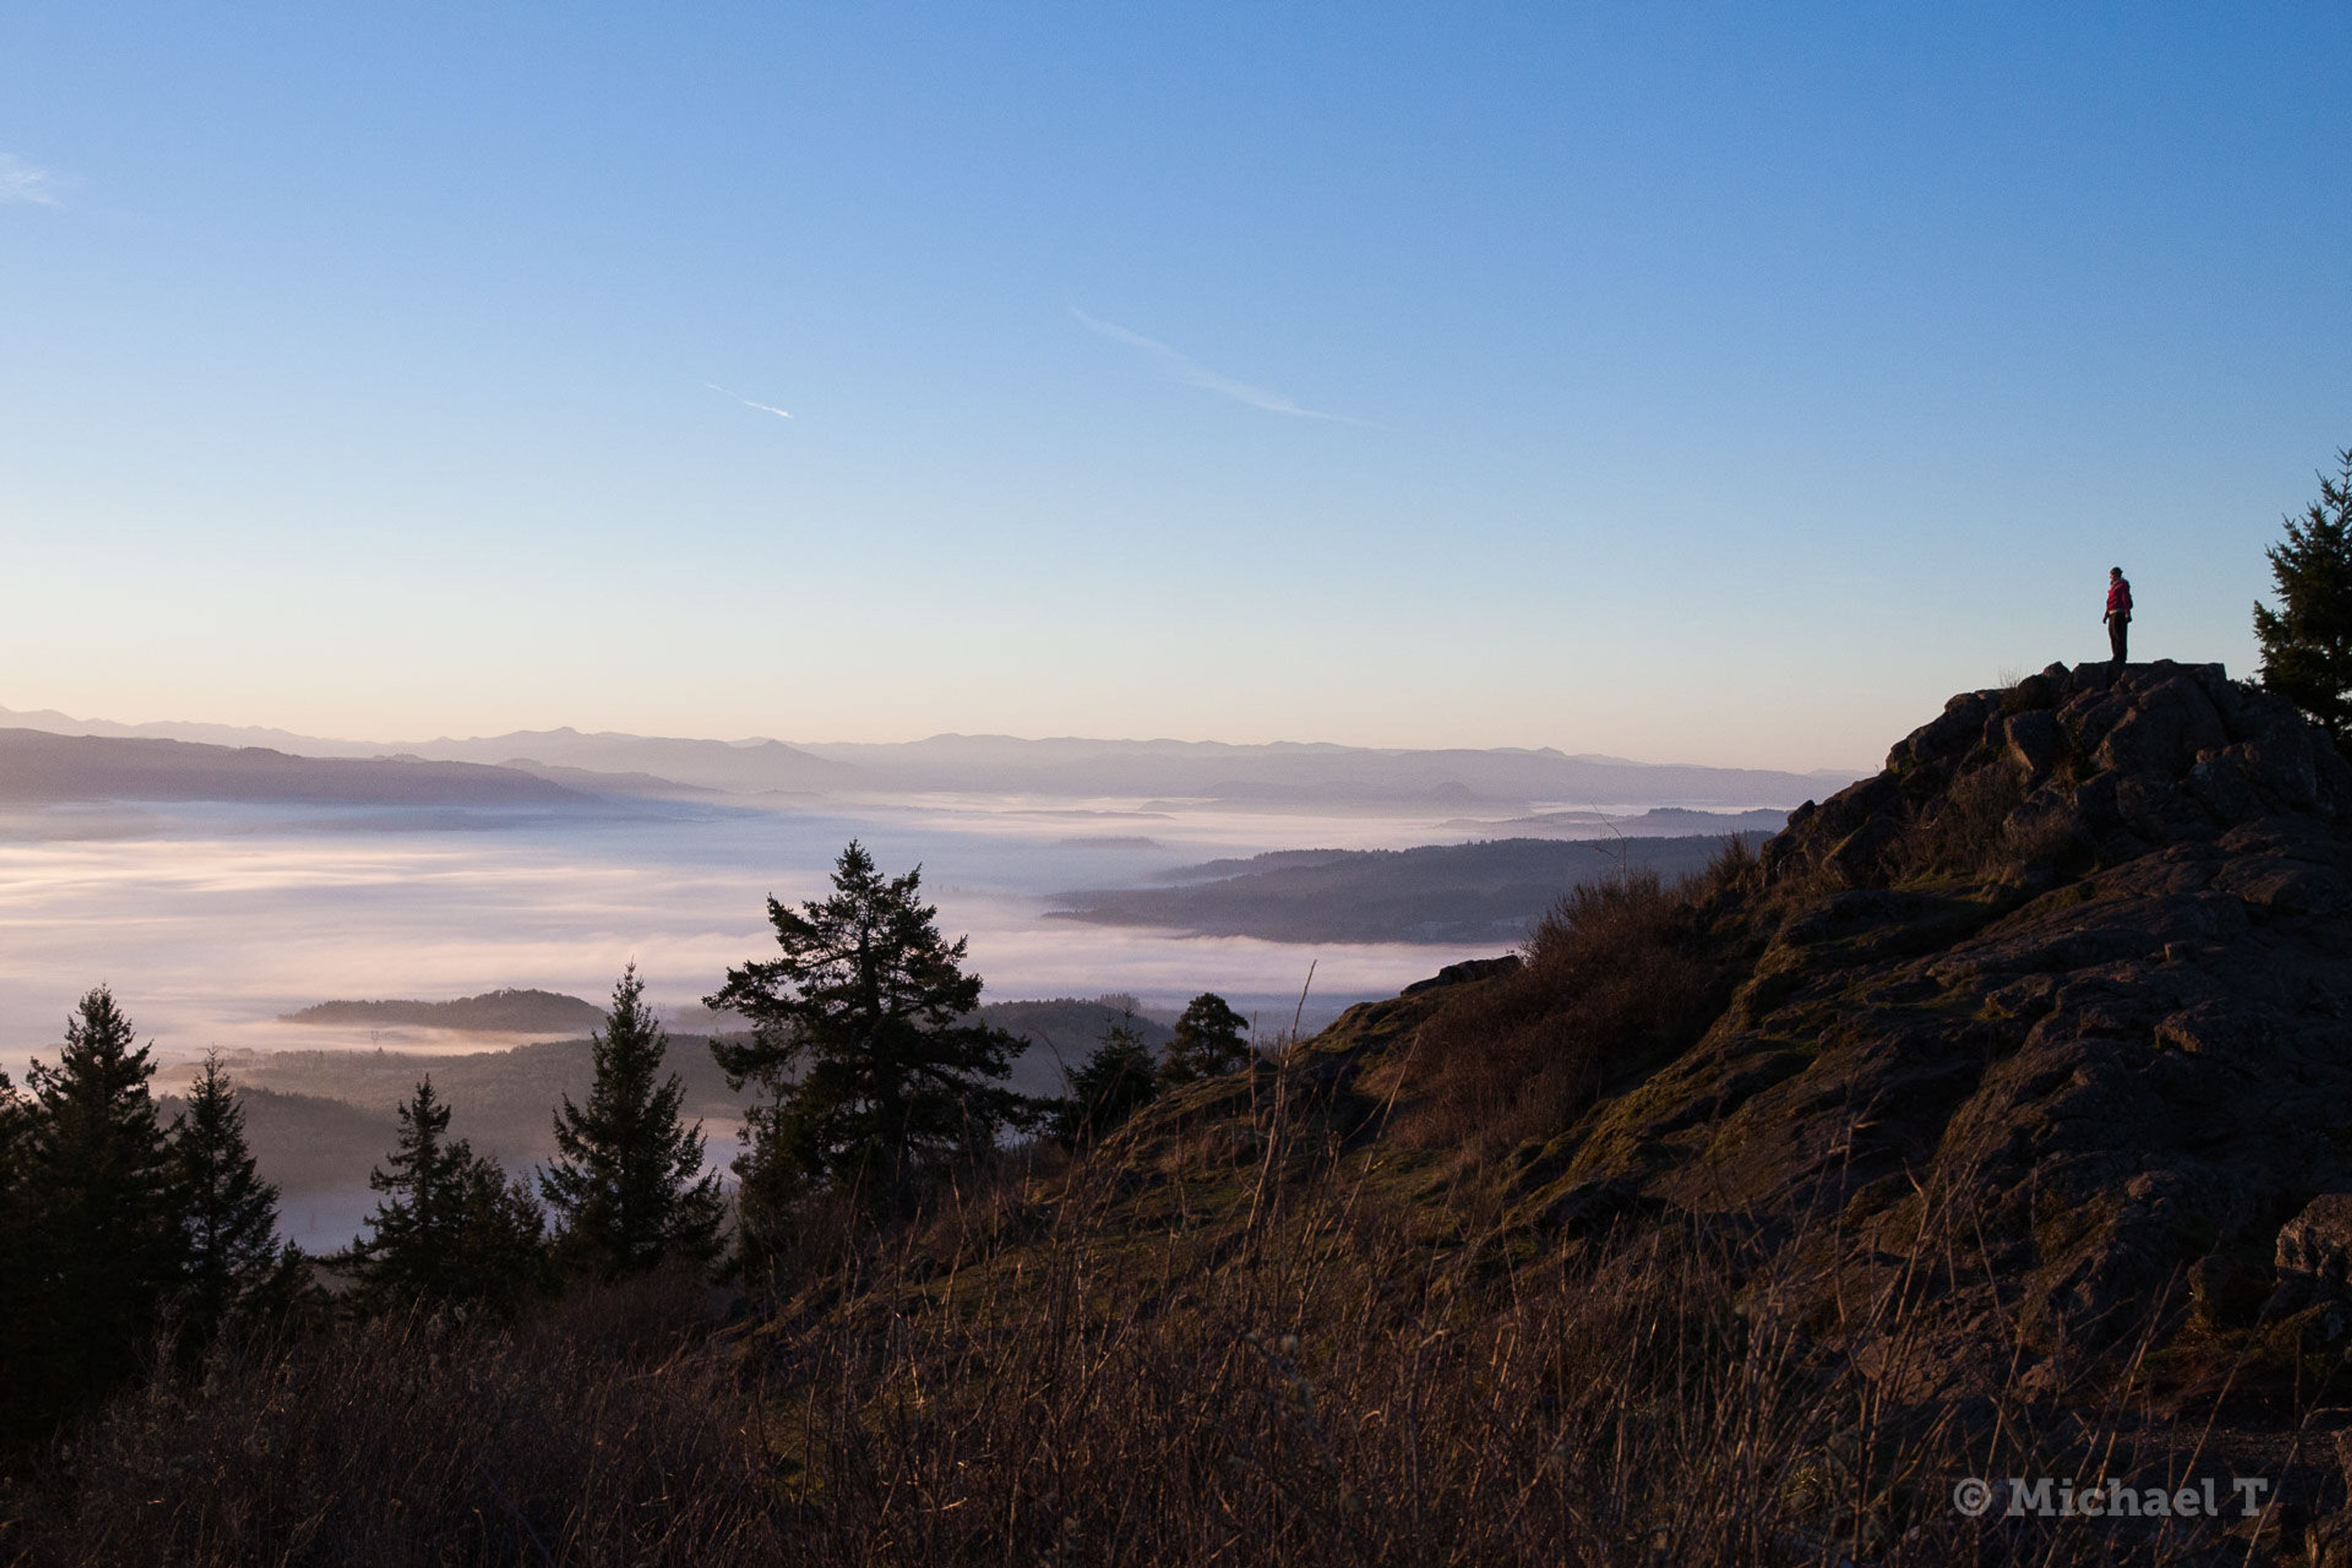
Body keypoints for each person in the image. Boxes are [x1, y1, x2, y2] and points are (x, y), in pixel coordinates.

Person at [2104, 566, 2133, 672]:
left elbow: (2125, 599)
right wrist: (2106, 615)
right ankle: (2116, 656)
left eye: (2112, 576)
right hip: (2112, 613)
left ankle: (2120, 657)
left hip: (2119, 613)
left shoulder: (2122, 585)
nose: (2110, 578)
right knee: (2113, 635)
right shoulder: (2113, 587)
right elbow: (2109, 602)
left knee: (2119, 635)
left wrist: (2127, 613)